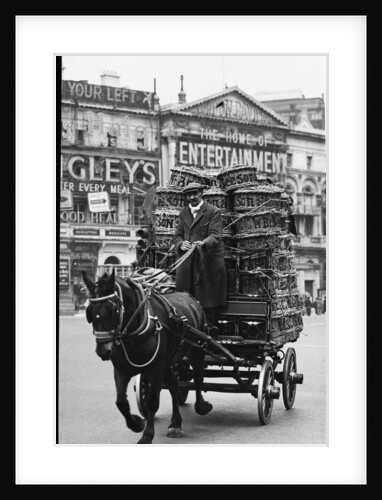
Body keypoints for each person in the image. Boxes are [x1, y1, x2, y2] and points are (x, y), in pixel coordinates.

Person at [173, 182, 227, 336]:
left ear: (201, 193)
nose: (192, 197)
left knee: (206, 296)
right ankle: (186, 324)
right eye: (189, 195)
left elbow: (216, 236)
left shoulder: (213, 211)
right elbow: (177, 235)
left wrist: (203, 243)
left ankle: (209, 326)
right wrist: (180, 244)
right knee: (184, 295)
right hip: (187, 263)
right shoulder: (183, 213)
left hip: (207, 262)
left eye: (195, 193)